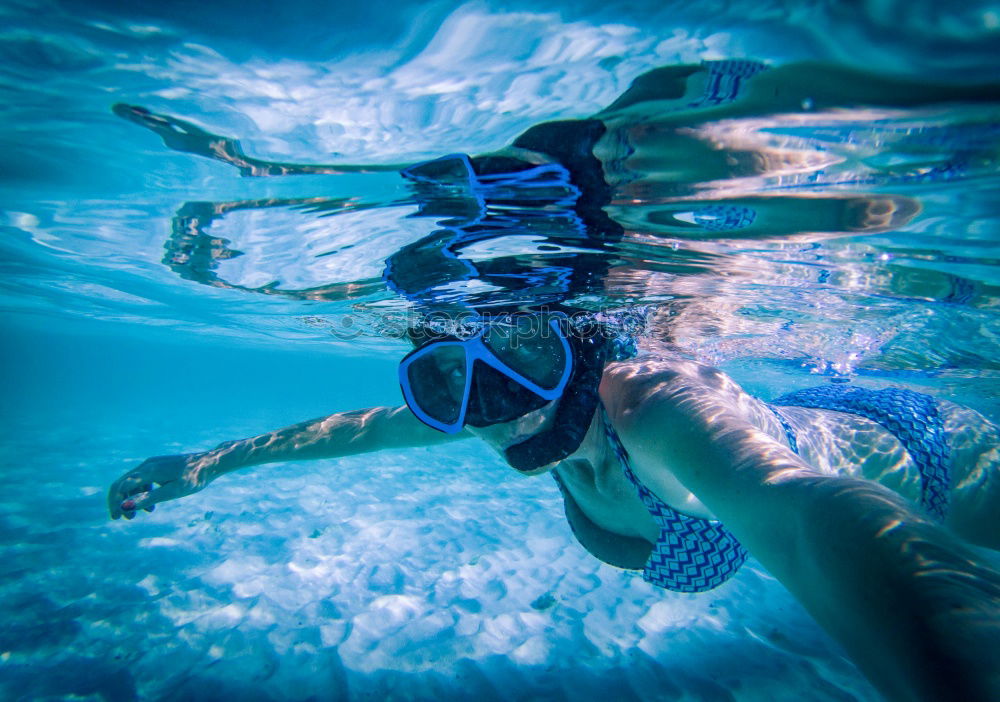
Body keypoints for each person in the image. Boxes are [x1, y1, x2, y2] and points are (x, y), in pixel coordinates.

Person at [109, 61, 1000, 700]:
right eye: (451, 379)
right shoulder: (493, 404)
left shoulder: (653, 410)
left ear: (587, 349)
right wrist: (205, 464)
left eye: (528, 355)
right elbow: (360, 429)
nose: (491, 409)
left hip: (936, 462)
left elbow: (805, 517)